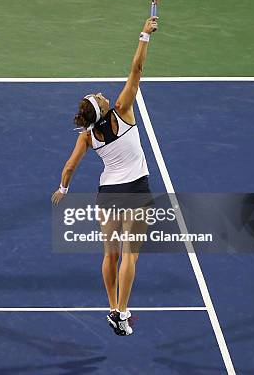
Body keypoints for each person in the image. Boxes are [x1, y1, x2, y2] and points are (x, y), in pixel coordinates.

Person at [51, 17, 158, 336]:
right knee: (130, 255)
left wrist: (62, 189)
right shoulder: (124, 110)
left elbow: (69, 167)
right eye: (98, 97)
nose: (100, 93)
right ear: (103, 109)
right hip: (136, 190)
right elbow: (136, 71)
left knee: (110, 254)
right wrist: (144, 35)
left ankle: (112, 305)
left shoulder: (87, 136)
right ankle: (122, 313)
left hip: (108, 194)